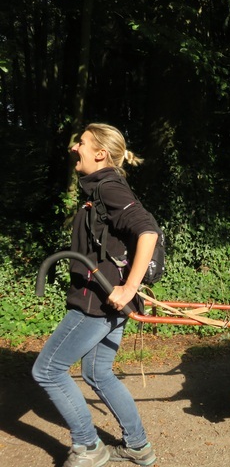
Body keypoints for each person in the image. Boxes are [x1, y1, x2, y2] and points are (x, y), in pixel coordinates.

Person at [32, 123, 157, 466]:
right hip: (109, 299)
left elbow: (148, 231)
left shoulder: (107, 186)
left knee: (48, 370)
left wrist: (129, 287)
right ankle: (138, 446)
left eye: (82, 143)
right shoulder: (101, 189)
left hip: (98, 302)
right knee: (98, 373)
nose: (75, 147)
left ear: (100, 153)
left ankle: (88, 447)